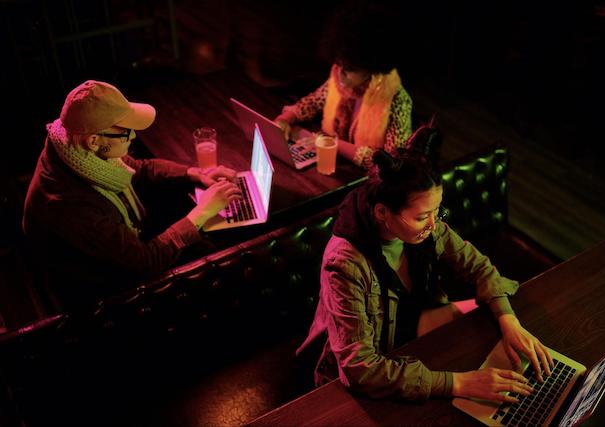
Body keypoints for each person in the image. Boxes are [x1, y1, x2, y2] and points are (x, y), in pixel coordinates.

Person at [296, 126, 554, 402]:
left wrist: (509, 322)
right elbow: (360, 369)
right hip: (372, 357)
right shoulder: (346, 263)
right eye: (422, 217)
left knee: (498, 329)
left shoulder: (425, 228)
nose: (433, 225)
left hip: (411, 326)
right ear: (382, 212)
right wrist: (459, 384)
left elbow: (479, 268)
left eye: (437, 211)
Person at [22, 80, 242, 311]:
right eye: (126, 131)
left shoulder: (74, 146)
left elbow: (141, 168)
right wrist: (201, 213)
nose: (134, 136)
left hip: (114, 248)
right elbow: (145, 261)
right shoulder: (69, 206)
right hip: (98, 292)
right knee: (214, 254)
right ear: (94, 141)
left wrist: (196, 173)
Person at [274, 1, 413, 169]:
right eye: (338, 65)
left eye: (349, 70)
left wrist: (331, 143)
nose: (339, 75)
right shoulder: (339, 76)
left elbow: (393, 162)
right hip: (331, 165)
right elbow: (310, 104)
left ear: (371, 68)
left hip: (365, 183)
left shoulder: (397, 99)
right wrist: (284, 120)